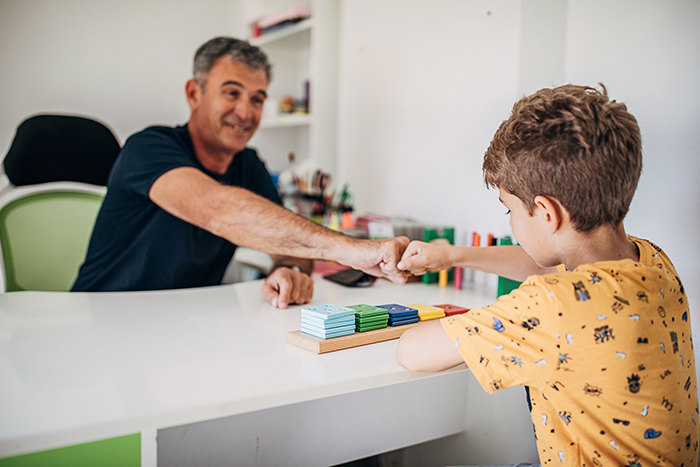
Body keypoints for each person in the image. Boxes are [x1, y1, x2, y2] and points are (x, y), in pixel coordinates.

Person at [396, 84, 697, 466]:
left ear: (546, 212)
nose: (510, 222)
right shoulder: (651, 260)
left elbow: (412, 351)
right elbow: (549, 262)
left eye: (510, 210)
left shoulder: (553, 306)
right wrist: (452, 255)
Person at [73, 37, 408, 307]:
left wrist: (289, 270)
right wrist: (349, 250)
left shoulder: (248, 165)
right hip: (102, 318)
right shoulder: (147, 148)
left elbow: (288, 244)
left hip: (180, 325)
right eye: (231, 93)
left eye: (258, 99)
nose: (245, 112)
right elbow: (217, 210)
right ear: (194, 94)